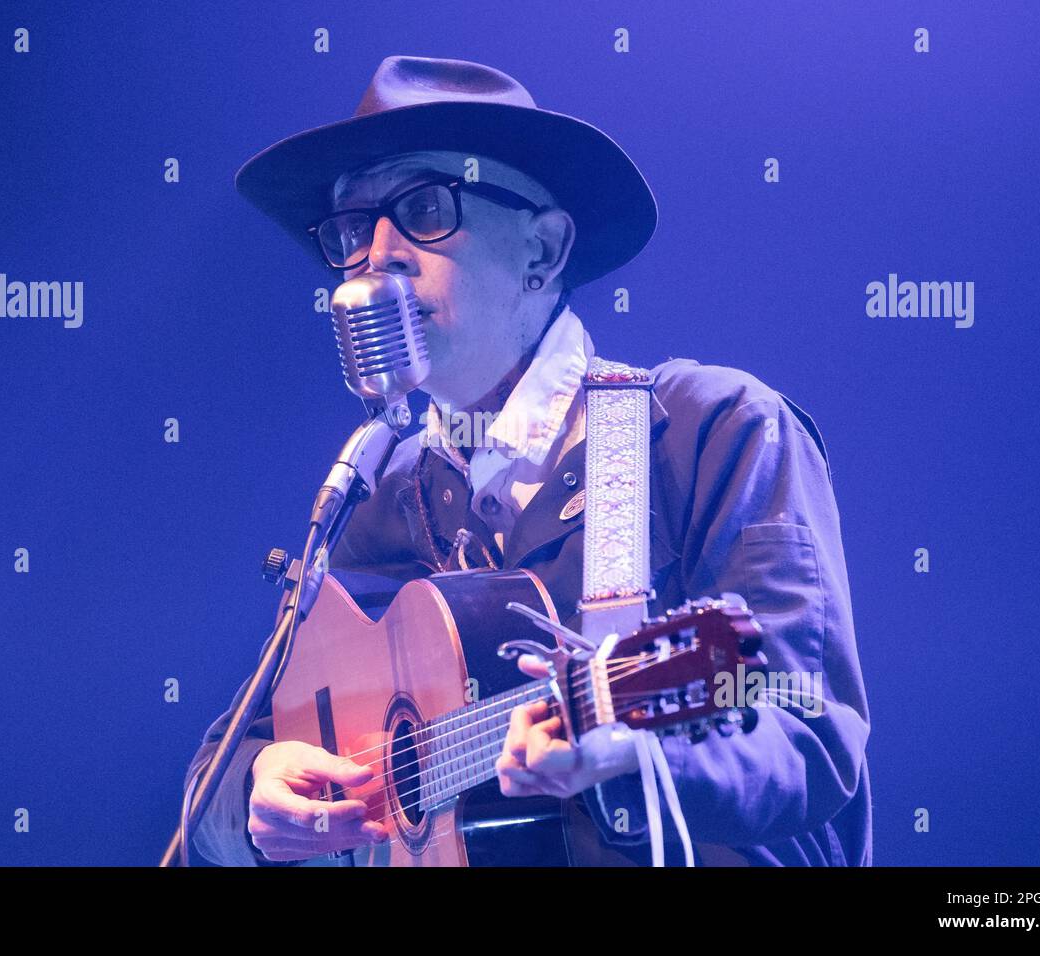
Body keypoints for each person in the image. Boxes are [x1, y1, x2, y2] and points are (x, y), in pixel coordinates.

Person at [184, 55, 872, 866]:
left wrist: (639, 760)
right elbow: (218, 774)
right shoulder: (380, 498)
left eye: (423, 208)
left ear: (542, 250)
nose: (377, 252)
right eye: (350, 227)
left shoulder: (710, 428)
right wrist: (258, 792)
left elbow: (803, 724)